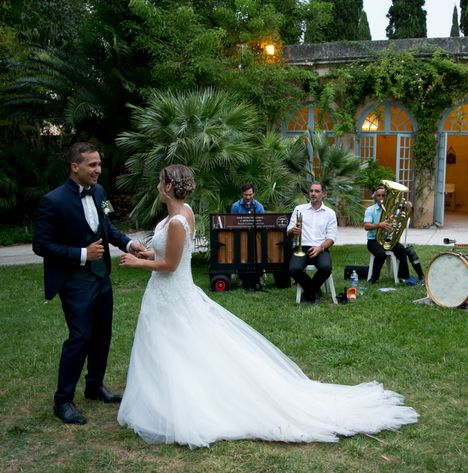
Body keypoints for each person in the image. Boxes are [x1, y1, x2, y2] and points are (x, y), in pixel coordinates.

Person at [117, 165, 417, 447]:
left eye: (160, 181)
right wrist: (146, 255)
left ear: (169, 186)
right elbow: (170, 255)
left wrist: (134, 262)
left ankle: (187, 406)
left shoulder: (181, 219)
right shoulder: (179, 214)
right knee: (174, 347)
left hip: (171, 290)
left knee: (178, 345)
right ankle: (168, 400)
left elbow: (170, 264)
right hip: (168, 294)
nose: (158, 186)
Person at [32, 142, 145, 425]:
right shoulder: (53, 201)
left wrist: (128, 243)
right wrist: (81, 254)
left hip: (101, 278)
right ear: (75, 167)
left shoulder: (100, 193)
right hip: (74, 280)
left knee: (103, 333)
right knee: (80, 336)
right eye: (92, 165)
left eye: (99, 164)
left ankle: (95, 387)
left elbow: (106, 228)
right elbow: (41, 245)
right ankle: (63, 401)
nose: (98, 170)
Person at [286, 181, 337, 303]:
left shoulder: (330, 213)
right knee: (293, 269)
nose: (313, 193)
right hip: (302, 248)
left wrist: (320, 248)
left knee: (326, 268)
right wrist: (293, 230)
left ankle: (309, 291)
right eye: (311, 191)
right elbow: (288, 231)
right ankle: (313, 290)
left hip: (321, 248)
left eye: (317, 191)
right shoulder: (299, 209)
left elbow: (331, 238)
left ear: (323, 194)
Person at [364, 185, 424, 284]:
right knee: (381, 254)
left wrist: (409, 207)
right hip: (373, 240)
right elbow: (366, 226)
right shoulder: (370, 210)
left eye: (383, 195)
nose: (381, 198)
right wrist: (380, 225)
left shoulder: (393, 209)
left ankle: (404, 277)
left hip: (388, 239)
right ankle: (373, 278)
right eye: (378, 195)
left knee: (402, 250)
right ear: (375, 197)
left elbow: (403, 216)